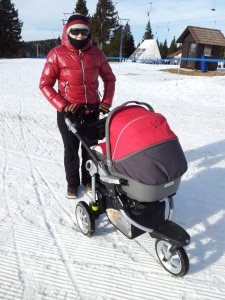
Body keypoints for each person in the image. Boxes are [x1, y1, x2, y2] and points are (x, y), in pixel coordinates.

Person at [39, 13, 116, 199]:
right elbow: (44, 84)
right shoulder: (56, 54)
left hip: (92, 111)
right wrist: (63, 105)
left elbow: (109, 79)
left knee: (90, 149)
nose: (80, 36)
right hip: (69, 113)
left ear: (89, 33)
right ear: (67, 32)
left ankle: (89, 180)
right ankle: (72, 185)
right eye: (75, 31)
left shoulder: (97, 54)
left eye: (84, 32)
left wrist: (106, 101)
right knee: (71, 151)